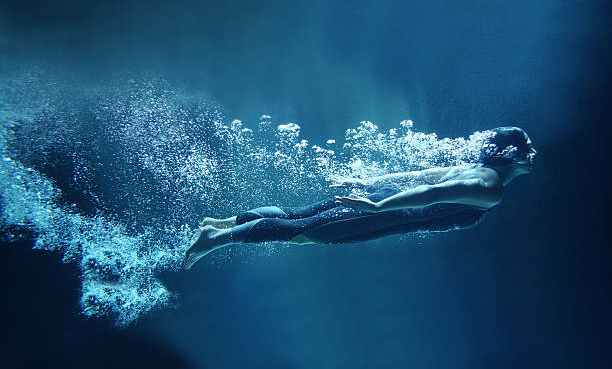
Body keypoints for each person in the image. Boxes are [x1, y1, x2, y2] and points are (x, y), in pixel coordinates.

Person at [184, 126, 536, 269]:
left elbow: (417, 176)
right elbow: (430, 193)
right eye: (527, 147)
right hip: (386, 212)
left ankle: (223, 223)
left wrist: (369, 183)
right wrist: (378, 204)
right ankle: (215, 238)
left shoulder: (472, 168)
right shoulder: (491, 188)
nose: (532, 151)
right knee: (304, 232)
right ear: (511, 153)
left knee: (297, 214)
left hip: (384, 203)